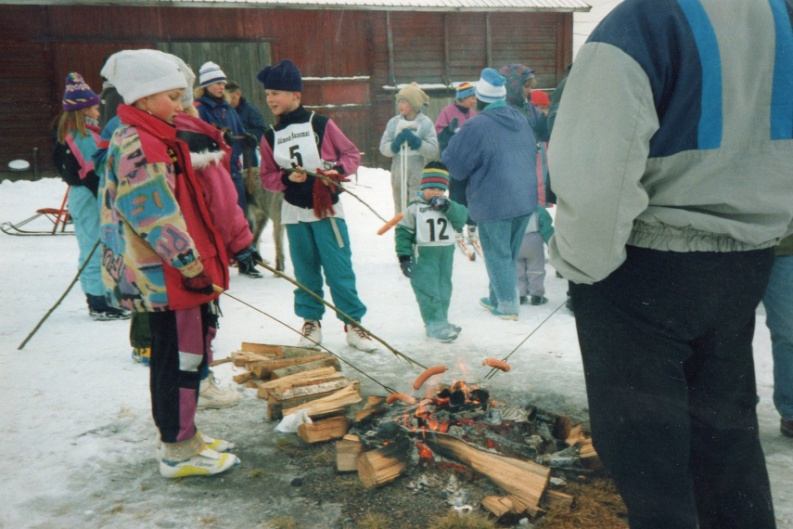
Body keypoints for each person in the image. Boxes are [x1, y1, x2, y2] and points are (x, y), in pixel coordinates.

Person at [548, 1, 793, 527]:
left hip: (646, 266)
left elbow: (596, 173)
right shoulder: (777, 15)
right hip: (745, 258)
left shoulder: (643, 21)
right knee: (726, 439)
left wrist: (582, 267)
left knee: (646, 460)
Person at [98, 49, 239, 478]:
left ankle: (187, 433)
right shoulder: (140, 141)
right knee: (178, 358)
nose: (181, 105)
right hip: (164, 276)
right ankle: (177, 449)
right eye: (173, 96)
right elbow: (152, 213)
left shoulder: (156, 133)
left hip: (175, 274)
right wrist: (191, 264)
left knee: (187, 356)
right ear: (144, 98)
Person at [258, 59, 377, 353]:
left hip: (327, 211)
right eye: (267, 94)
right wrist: (287, 176)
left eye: (276, 92)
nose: (270, 99)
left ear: (296, 95)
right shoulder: (270, 136)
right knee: (305, 271)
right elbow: (267, 177)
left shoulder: (320, 124)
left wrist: (336, 171)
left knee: (338, 269)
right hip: (295, 212)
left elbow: (350, 154)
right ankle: (311, 321)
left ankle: (353, 323)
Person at [442, 68, 536, 320]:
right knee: (509, 253)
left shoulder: (477, 125)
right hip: (524, 198)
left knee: (497, 254)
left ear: (481, 99)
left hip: (494, 200)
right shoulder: (519, 119)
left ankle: (507, 306)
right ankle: (496, 297)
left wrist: (451, 139)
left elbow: (456, 166)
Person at [52, 72, 129, 322]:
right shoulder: (82, 136)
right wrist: (109, 199)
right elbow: (92, 173)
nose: (98, 108)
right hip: (89, 196)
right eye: (94, 105)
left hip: (89, 194)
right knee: (94, 245)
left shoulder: (85, 132)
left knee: (101, 244)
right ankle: (98, 301)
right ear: (83, 110)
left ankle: (105, 295)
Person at [395, 162, 468, 342]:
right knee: (428, 290)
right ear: (423, 187)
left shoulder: (449, 206)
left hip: (445, 256)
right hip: (424, 257)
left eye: (440, 189)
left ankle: (442, 320)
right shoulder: (415, 208)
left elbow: (461, 219)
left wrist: (447, 206)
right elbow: (403, 233)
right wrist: (404, 257)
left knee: (444, 289)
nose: (436, 193)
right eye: (431, 188)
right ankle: (434, 324)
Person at [195, 62, 249, 217]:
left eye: (223, 84)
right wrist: (219, 140)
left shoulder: (228, 108)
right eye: (217, 83)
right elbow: (198, 141)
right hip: (215, 171)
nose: (221, 87)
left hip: (234, 169)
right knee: (223, 215)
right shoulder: (200, 110)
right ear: (206, 85)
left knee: (240, 214)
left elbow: (239, 131)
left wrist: (246, 138)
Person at [378, 83, 439, 215]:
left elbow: (433, 150)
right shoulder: (394, 123)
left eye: (404, 101)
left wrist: (417, 143)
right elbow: (383, 147)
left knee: (417, 206)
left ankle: (418, 234)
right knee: (400, 207)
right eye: (399, 101)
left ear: (414, 103)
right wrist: (394, 145)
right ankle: (402, 232)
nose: (400, 105)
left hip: (418, 169)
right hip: (398, 168)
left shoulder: (425, 123)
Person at [763, 234, 793, 438]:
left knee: (788, 332)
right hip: (732, 246)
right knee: (726, 332)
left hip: (785, 250)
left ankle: (791, 412)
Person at [498, 63, 548, 142]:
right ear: (514, 87)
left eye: (531, 87)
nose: (530, 90)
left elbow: (542, 135)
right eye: (526, 86)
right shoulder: (504, 111)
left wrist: (544, 121)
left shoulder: (529, 107)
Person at [516, 206, 553, 306]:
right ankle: (536, 295)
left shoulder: (511, 207)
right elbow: (546, 228)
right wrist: (551, 244)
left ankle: (520, 294)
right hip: (534, 239)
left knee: (517, 269)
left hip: (516, 239)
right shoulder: (537, 209)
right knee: (536, 268)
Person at [434, 82, 477, 153]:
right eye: (472, 98)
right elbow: (438, 136)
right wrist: (448, 131)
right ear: (463, 98)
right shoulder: (447, 112)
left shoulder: (473, 114)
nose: (475, 101)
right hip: (451, 156)